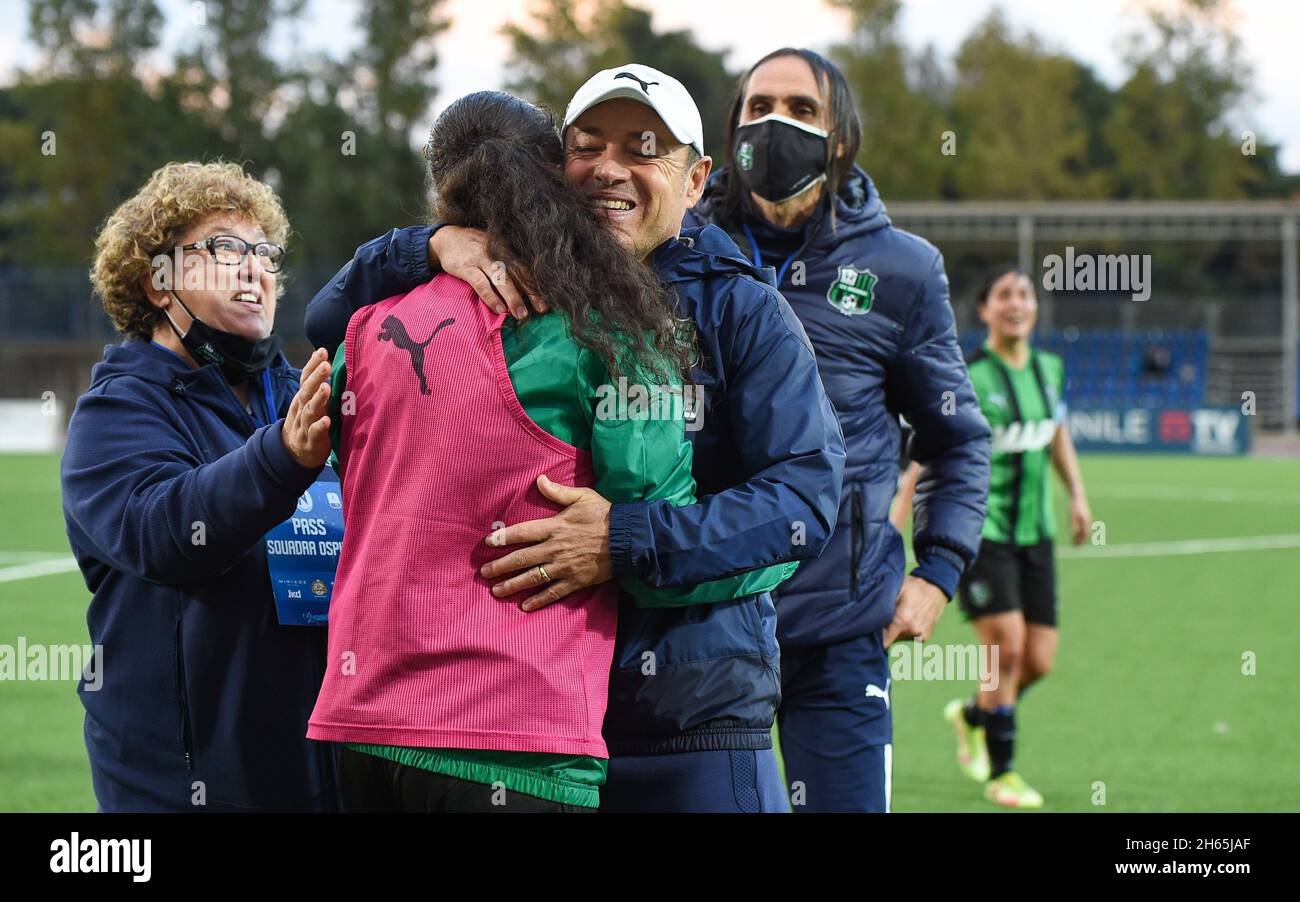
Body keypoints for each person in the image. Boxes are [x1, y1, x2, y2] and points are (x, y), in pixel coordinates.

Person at [305, 64, 847, 813]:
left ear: (695, 182)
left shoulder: (743, 311)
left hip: (689, 730)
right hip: (530, 738)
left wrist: (624, 542)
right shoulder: (510, 281)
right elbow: (328, 325)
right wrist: (429, 246)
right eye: (587, 145)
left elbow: (805, 500)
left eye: (643, 147)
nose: (609, 168)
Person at [684, 48, 991, 812]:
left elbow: (955, 437)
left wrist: (937, 573)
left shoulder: (904, 270)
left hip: (839, 630)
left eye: (801, 110)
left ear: (840, 139)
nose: (773, 124)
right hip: (697, 623)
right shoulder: (676, 250)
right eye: (756, 109)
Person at [61, 161, 338, 811]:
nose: (254, 268)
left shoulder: (303, 397)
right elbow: (163, 531)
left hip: (314, 774)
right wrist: (284, 457)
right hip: (178, 786)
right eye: (223, 248)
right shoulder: (115, 410)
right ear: (160, 283)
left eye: (265, 252)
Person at [941, 264, 1092, 809]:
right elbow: (937, 445)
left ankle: (975, 715)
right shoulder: (968, 374)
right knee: (1005, 650)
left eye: (1024, 294)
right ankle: (1004, 773)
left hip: (1037, 533)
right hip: (983, 530)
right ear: (984, 311)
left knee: (1040, 660)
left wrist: (1076, 495)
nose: (1016, 303)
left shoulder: (1050, 368)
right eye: (1004, 295)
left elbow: (1056, 432)